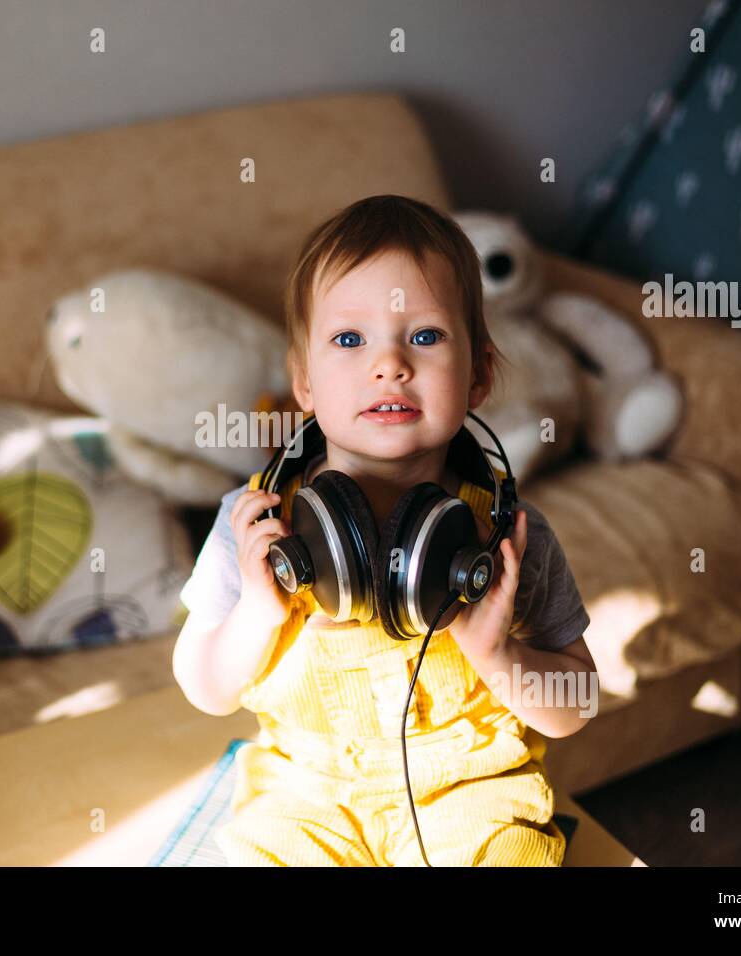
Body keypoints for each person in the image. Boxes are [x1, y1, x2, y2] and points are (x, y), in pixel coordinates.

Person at [172, 195, 598, 866]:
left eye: (425, 336)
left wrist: (498, 657)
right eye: (350, 339)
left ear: (480, 373)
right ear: (303, 381)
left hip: (471, 797)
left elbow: (574, 703)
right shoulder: (254, 523)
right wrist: (258, 610)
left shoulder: (508, 535)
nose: (389, 364)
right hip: (307, 799)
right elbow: (204, 686)